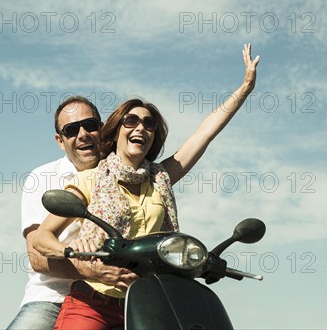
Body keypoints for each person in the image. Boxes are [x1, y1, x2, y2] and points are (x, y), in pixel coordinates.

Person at [32, 44, 261, 330]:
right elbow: (41, 238)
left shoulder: (161, 178)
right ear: (116, 131)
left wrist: (244, 90)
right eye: (132, 120)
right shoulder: (91, 179)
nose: (140, 127)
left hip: (147, 305)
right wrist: (72, 251)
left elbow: (204, 133)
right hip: (92, 305)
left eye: (149, 124)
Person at [6, 96, 137, 330]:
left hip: (115, 300)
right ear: (60, 140)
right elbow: (37, 257)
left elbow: (176, 164)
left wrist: (226, 108)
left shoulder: (125, 171)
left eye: (90, 125)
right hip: (52, 297)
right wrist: (96, 271)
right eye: (72, 129)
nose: (83, 134)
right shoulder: (42, 178)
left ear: (102, 128)